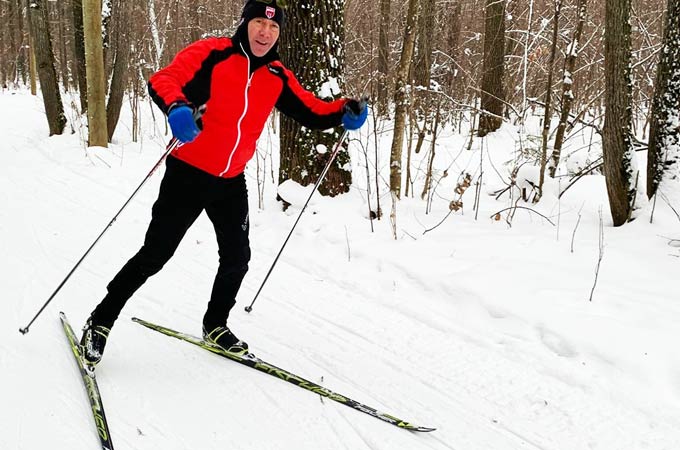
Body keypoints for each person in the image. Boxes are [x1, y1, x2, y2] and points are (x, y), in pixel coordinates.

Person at [80, 0, 368, 367]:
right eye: (259, 25)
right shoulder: (213, 53)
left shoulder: (277, 76)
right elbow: (163, 80)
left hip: (231, 181)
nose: (265, 33)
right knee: (155, 255)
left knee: (237, 258)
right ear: (245, 23)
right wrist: (178, 108)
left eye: (274, 28)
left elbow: (311, 109)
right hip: (188, 174)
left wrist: (345, 110)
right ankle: (101, 320)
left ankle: (215, 325)